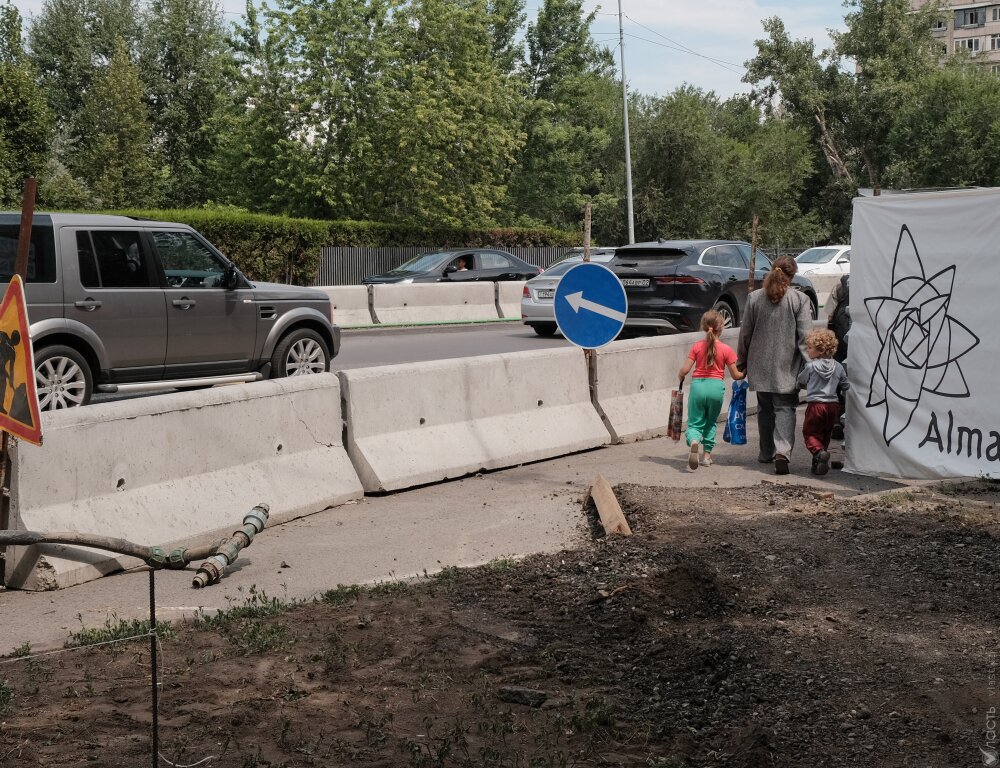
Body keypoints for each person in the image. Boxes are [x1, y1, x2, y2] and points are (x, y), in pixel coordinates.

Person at [737, 256, 813, 475]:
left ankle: (765, 452)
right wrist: (812, 367)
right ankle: (782, 451)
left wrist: (741, 363)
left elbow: (745, 334)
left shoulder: (754, 298)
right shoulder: (799, 299)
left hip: (759, 366)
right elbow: (805, 339)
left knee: (765, 410)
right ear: (793, 275)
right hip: (787, 368)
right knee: (785, 408)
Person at [678, 310, 745, 469]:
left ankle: (694, 441)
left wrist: (680, 377)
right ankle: (706, 457)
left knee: (695, 422)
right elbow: (736, 375)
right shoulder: (726, 349)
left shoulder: (696, 347)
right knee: (710, 423)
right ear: (720, 328)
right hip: (716, 388)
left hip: (698, 387)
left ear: (703, 327)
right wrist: (745, 372)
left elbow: (684, 370)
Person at [797, 328, 849, 475]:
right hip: (833, 406)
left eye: (810, 347)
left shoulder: (811, 366)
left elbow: (801, 380)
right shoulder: (838, 366)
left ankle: (819, 453)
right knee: (825, 433)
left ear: (820, 351)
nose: (807, 350)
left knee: (810, 433)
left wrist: (799, 385)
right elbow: (845, 384)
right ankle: (818, 462)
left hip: (815, 406)